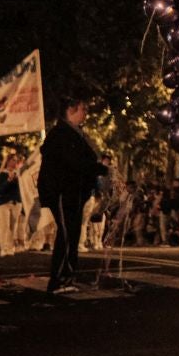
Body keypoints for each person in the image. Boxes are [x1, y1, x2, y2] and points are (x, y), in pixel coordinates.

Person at [37, 97, 108, 293]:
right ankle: (58, 280)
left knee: (72, 232)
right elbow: (73, 162)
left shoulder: (73, 134)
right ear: (70, 110)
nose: (86, 114)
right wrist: (98, 168)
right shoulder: (61, 134)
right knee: (67, 233)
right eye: (83, 109)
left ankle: (67, 276)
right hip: (63, 190)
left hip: (73, 191)